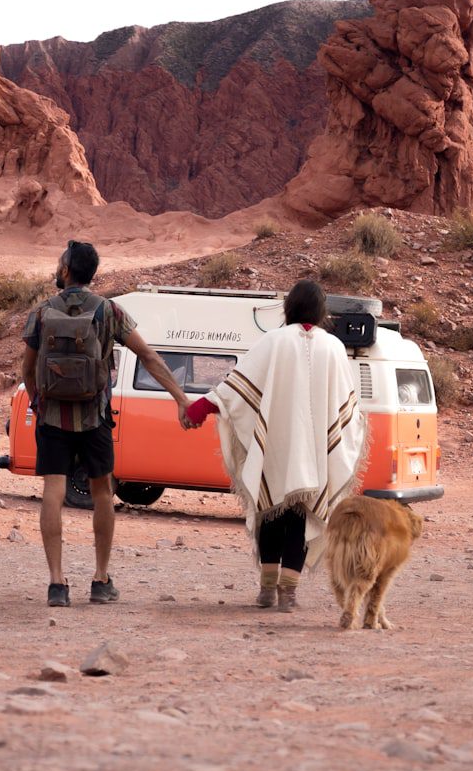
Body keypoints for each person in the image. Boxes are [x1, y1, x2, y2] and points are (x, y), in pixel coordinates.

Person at [21, 240, 190, 608]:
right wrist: (180, 397)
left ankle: (56, 584)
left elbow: (27, 368)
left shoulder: (41, 312)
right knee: (101, 492)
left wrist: (38, 400)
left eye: (60, 262)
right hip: (95, 417)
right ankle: (100, 579)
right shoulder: (109, 311)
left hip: (52, 417)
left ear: (66, 271)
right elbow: (147, 356)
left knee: (54, 491)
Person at [182, 279, 367, 612]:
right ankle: (288, 593)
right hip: (314, 451)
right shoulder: (334, 347)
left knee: (270, 511)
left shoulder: (274, 341)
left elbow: (235, 389)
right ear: (321, 311)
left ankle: (267, 591)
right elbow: (349, 409)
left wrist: (200, 408)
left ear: (289, 307)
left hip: (276, 446)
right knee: (298, 515)